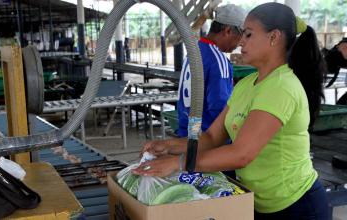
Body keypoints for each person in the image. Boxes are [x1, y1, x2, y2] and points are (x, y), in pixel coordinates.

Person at [134, 3, 328, 219]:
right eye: (242, 34)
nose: (241, 41)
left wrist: (179, 163)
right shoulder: (247, 84)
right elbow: (211, 137)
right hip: (259, 202)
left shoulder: (281, 86)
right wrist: (169, 146)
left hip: (296, 206)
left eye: (248, 34)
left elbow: (241, 154)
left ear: (274, 37)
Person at [177, 4, 245, 137]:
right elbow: (220, 107)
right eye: (242, 35)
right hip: (207, 138)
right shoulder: (218, 60)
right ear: (228, 30)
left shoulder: (195, 51)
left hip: (188, 132)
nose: (241, 43)